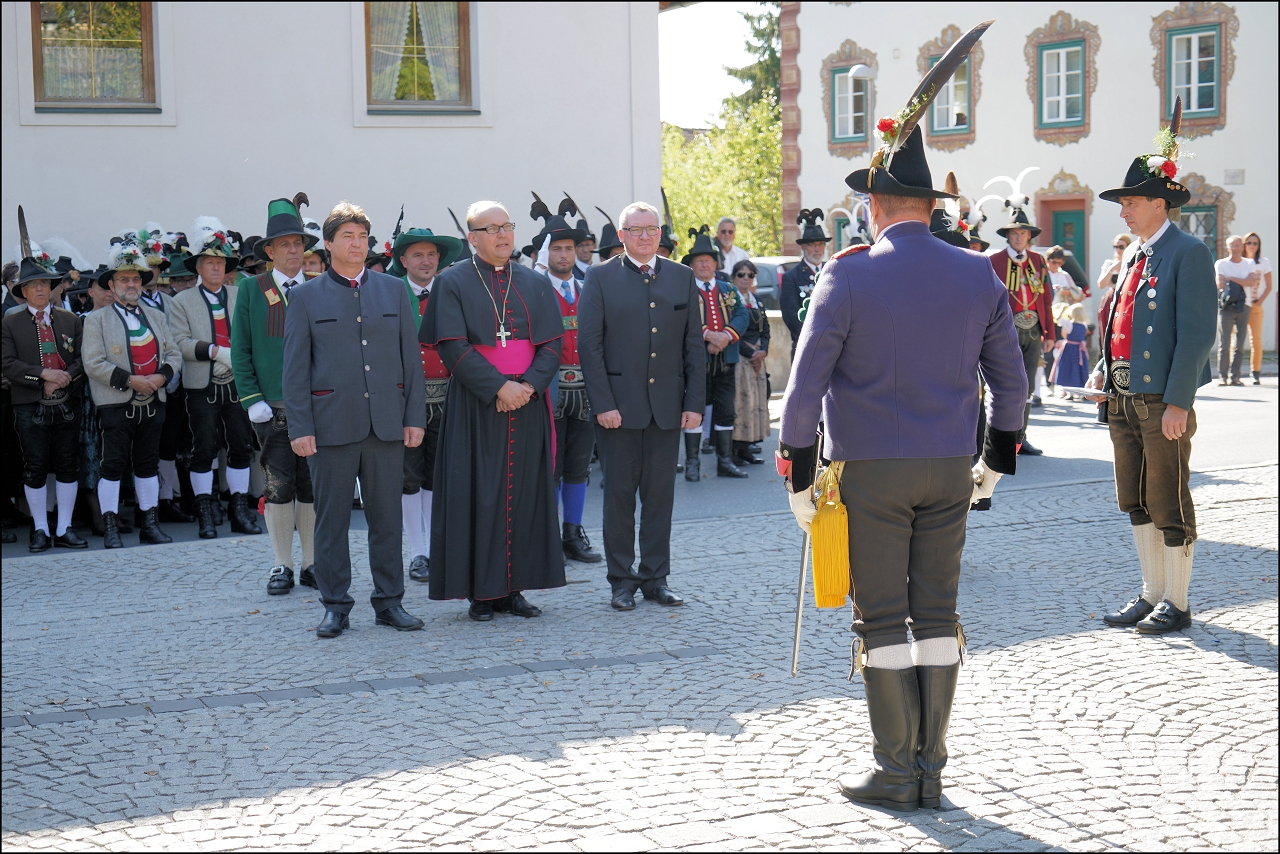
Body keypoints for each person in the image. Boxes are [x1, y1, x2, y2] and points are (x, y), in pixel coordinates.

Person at [781, 28, 1023, 810]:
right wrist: (995, 461)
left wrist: (797, 471)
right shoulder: (979, 274)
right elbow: (1010, 384)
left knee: (882, 616)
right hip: (951, 464)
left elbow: (804, 391)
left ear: (875, 205)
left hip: (873, 473)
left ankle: (898, 770)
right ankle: (932, 768)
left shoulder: (846, 278)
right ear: (931, 206)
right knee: (938, 611)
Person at [1088, 108, 1216, 635]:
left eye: (1131, 201)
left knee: (1168, 496)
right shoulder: (1136, 255)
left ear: (1158, 204)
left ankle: (1178, 601)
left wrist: (1180, 402)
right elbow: (1121, 322)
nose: (1123, 211)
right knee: (1135, 498)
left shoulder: (1188, 252)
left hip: (1163, 399)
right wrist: (1103, 370)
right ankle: (1151, 592)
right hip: (1123, 396)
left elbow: (1196, 334)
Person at [282, 202, 426, 638]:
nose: (356, 244)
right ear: (327, 245)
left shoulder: (393, 290)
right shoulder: (305, 296)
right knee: (331, 522)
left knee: (386, 519)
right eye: (347, 237)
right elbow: (295, 368)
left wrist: (413, 415)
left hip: (386, 423)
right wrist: (300, 427)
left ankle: (389, 602)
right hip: (330, 426)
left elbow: (410, 361)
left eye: (362, 237)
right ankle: (336, 606)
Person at [420, 201, 565, 622]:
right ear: (473, 238)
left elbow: (552, 344)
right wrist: (498, 387)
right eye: (492, 228)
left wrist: (528, 386)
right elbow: (451, 345)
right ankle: (482, 593)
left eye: (507, 226)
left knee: (524, 495)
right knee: (479, 495)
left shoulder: (534, 283)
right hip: (477, 402)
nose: (503, 235)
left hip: (528, 401)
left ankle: (514, 589)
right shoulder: (452, 281)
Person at [577, 201, 704, 610]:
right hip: (618, 409)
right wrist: (603, 403)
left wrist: (694, 403)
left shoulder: (682, 277)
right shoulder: (599, 279)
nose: (646, 236)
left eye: (652, 229)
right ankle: (621, 581)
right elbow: (589, 348)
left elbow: (693, 347)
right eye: (636, 230)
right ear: (622, 235)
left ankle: (656, 578)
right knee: (618, 498)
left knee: (660, 498)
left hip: (667, 407)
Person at [232, 195, 322, 595]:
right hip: (272, 408)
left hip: (316, 406)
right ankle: (282, 564)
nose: (293, 251)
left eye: (298, 243)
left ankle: (311, 563)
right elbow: (241, 349)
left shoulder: (320, 288)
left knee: (312, 486)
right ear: (269, 251)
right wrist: (252, 400)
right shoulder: (253, 290)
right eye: (284, 244)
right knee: (277, 485)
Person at [82, 238, 183, 548]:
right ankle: (111, 526)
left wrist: (158, 378)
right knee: (111, 465)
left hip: (153, 399)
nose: (130, 284)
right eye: (124, 279)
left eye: (135, 279)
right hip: (116, 402)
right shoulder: (96, 319)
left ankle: (149, 524)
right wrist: (131, 381)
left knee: (147, 463)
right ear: (111, 284)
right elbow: (93, 362)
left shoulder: (156, 316)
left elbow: (175, 355)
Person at [169, 217, 262, 539]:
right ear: (198, 267)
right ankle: (205, 511)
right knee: (204, 448)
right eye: (209, 262)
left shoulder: (239, 295)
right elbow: (178, 341)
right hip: (201, 384)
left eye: (220, 263)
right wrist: (214, 352)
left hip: (238, 383)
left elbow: (253, 336)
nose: (216, 268)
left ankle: (239, 510)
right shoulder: (182, 301)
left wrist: (237, 358)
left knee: (240, 445)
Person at [385, 220, 463, 583]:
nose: (426, 261)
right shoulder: (388, 291)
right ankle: (417, 551)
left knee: (436, 475)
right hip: (404, 400)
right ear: (403, 259)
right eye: (418, 254)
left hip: (448, 397)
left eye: (432, 255)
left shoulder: (451, 290)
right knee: (408, 476)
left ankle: (436, 549)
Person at [1, 249, 87, 551]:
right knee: (35, 465)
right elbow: (8, 364)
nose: (40, 289)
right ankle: (39, 528)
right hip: (28, 403)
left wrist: (64, 378)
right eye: (33, 284)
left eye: (45, 283)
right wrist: (43, 376)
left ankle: (64, 527)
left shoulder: (70, 320)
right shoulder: (10, 323)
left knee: (67, 464)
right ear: (22, 291)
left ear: (52, 288)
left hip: (67, 402)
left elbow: (81, 360)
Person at [535, 207, 603, 564]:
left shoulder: (588, 288)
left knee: (579, 467)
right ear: (545, 253)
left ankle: (572, 533)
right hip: (550, 390)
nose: (564, 255)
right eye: (556, 249)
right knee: (550, 466)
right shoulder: (535, 289)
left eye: (569, 249)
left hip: (586, 391)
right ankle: (546, 536)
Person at [681, 225, 749, 480]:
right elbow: (680, 320)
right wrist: (708, 334)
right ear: (693, 265)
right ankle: (692, 464)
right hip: (697, 361)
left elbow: (742, 314)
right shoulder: (685, 289)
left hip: (726, 358)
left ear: (714, 263)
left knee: (725, 410)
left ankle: (724, 461)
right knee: (694, 408)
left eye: (708, 260)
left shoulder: (728, 288)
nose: (704, 265)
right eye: (699, 261)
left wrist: (726, 337)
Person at [989, 194, 1051, 454]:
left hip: (1034, 330)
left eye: (1023, 233)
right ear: (1008, 236)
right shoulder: (995, 261)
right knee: (1007, 385)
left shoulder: (1038, 261)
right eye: (1014, 233)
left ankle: (1020, 438)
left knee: (1028, 385)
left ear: (1029, 236)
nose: (1019, 237)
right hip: (1007, 330)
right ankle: (1002, 438)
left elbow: (1046, 297)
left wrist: (1050, 332)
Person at [730, 259, 770, 466]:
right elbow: (731, 331)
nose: (746, 278)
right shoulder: (729, 301)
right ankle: (735, 449)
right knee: (741, 403)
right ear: (733, 277)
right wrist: (751, 354)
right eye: (741, 275)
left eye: (750, 275)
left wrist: (763, 351)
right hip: (740, 358)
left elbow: (766, 330)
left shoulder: (757, 301)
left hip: (757, 359)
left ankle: (747, 448)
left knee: (755, 403)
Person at [780, 209, 830, 358]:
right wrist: (814, 338)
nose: (817, 249)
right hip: (805, 346)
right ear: (803, 247)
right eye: (812, 245)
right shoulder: (792, 277)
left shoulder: (833, 271)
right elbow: (791, 316)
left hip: (832, 346)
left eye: (821, 244)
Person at [1214, 235, 1258, 387]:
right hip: (1226, 306)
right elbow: (1220, 284)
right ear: (1227, 248)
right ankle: (1222, 376)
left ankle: (1235, 377)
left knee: (1240, 343)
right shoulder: (1221, 263)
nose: (1235, 248)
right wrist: (1241, 280)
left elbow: (1252, 281)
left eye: (1238, 245)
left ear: (1243, 247)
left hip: (1244, 305)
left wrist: (1231, 278)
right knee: (1224, 343)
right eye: (1232, 245)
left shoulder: (1249, 263)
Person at [1242, 232, 1272, 385]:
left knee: (1256, 340)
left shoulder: (1263, 262)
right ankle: (1234, 373)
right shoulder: (1239, 261)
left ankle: (1255, 372)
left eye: (1255, 243)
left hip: (1255, 305)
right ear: (1244, 244)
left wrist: (1260, 301)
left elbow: (1269, 285)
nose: (1252, 246)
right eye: (1249, 242)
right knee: (1236, 341)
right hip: (1240, 305)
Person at [1096, 234, 1133, 339]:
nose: (1118, 250)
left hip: (1127, 299)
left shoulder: (1133, 262)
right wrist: (1112, 269)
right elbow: (1101, 284)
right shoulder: (1110, 263)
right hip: (1111, 299)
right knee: (1107, 329)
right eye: (1115, 246)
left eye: (1121, 247)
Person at [1050, 302, 1090, 395]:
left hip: (1069, 349)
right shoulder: (1084, 325)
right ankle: (1079, 390)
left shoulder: (1069, 324)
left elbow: (1057, 319)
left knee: (1067, 368)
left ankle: (1067, 391)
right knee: (1078, 368)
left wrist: (1062, 309)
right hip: (1080, 350)